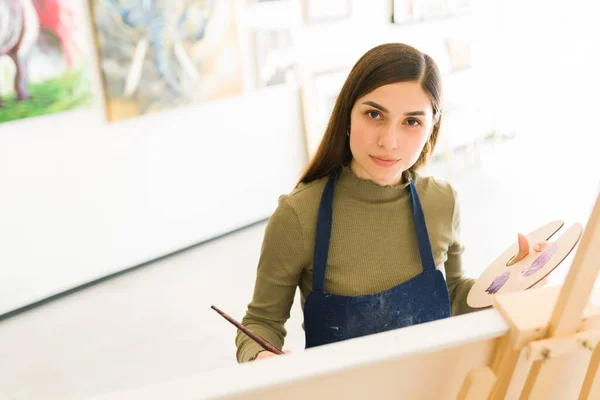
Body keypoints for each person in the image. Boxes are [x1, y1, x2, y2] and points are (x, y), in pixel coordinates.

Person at [235, 42, 548, 363]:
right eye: (374, 114)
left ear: (432, 128)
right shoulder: (298, 214)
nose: (389, 141)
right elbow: (260, 323)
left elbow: (454, 294)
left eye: (411, 122)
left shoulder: (441, 201)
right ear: (347, 116)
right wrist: (260, 356)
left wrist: (510, 283)